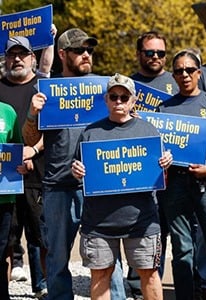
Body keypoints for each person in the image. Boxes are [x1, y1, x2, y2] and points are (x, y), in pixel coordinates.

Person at [21, 28, 126, 300]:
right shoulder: (48, 91)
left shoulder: (106, 89)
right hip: (57, 185)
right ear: (62, 54)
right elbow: (31, 138)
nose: (86, 55)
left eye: (89, 50)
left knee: (107, 255)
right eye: (79, 50)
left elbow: (125, 127)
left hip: (98, 184)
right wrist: (33, 115)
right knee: (56, 258)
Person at [70, 73, 171, 300]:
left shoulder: (149, 131)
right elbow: (78, 172)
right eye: (114, 96)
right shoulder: (90, 133)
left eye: (124, 97)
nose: (118, 101)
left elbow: (160, 173)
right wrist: (76, 171)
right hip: (98, 223)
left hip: (141, 221)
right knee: (101, 275)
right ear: (106, 99)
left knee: (149, 274)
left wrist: (166, 163)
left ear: (133, 101)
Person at [156, 50, 206, 300]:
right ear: (173, 75)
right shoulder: (164, 109)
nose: (184, 74)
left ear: (199, 73)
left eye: (189, 70)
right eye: (179, 70)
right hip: (176, 186)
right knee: (182, 250)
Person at [128, 30, 179, 300]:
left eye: (161, 53)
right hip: (140, 175)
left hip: (175, 174)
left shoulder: (177, 81)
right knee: (141, 233)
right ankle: (138, 288)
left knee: (171, 235)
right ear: (139, 55)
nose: (156, 57)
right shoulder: (127, 86)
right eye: (150, 53)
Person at [0, 36, 50, 299]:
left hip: (36, 176)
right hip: (4, 181)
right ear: (5, 59)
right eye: (11, 55)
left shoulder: (43, 88)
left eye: (22, 54)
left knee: (41, 239)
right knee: (5, 242)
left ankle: (45, 288)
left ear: (33, 58)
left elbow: (51, 129)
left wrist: (32, 150)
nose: (16, 59)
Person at [0, 101, 22, 299]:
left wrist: (22, 165)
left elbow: (16, 148)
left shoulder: (8, 111)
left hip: (4, 197)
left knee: (1, 251)